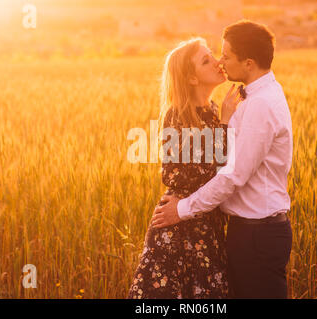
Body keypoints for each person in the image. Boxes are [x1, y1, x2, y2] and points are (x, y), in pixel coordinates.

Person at [152, 20, 293, 299]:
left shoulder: (258, 105)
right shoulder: (251, 99)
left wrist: (180, 210)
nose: (221, 61)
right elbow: (186, 169)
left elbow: (231, 176)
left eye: (226, 55)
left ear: (249, 63)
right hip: (241, 231)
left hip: (255, 234)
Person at [128, 37, 242, 299]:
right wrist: (224, 126)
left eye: (212, 54)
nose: (217, 62)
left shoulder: (214, 110)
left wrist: (222, 122)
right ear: (191, 79)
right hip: (178, 230)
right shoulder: (177, 115)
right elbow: (177, 173)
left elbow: (221, 168)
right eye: (206, 60)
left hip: (207, 225)